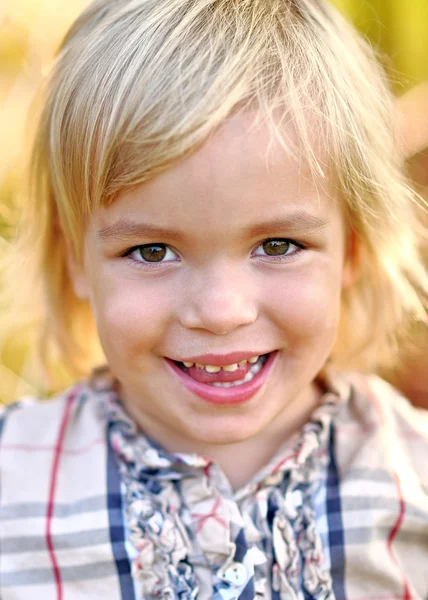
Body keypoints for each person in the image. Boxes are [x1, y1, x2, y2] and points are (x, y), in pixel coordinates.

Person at [1, 0, 428, 598]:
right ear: (75, 258)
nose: (222, 311)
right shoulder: (11, 481)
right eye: (152, 252)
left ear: (353, 252)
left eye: (278, 244)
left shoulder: (414, 479)